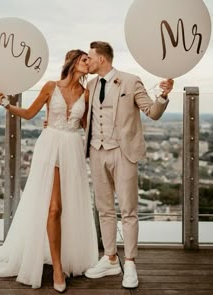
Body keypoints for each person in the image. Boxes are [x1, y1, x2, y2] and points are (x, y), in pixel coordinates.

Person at [0, 49, 98, 292]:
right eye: (85, 59)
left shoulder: (86, 94)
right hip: (50, 146)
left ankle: (63, 258)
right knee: (54, 208)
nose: (89, 63)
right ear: (74, 62)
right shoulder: (50, 86)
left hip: (73, 149)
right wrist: (5, 104)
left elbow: (87, 127)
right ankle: (56, 267)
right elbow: (30, 113)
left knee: (68, 207)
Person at [84, 41, 174, 288]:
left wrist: (163, 95)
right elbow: (84, 118)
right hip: (97, 151)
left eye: (90, 57)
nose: (88, 61)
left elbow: (152, 112)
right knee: (103, 209)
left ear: (102, 59)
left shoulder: (131, 81)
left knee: (129, 210)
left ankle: (131, 263)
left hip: (124, 154)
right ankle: (110, 258)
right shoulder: (90, 85)